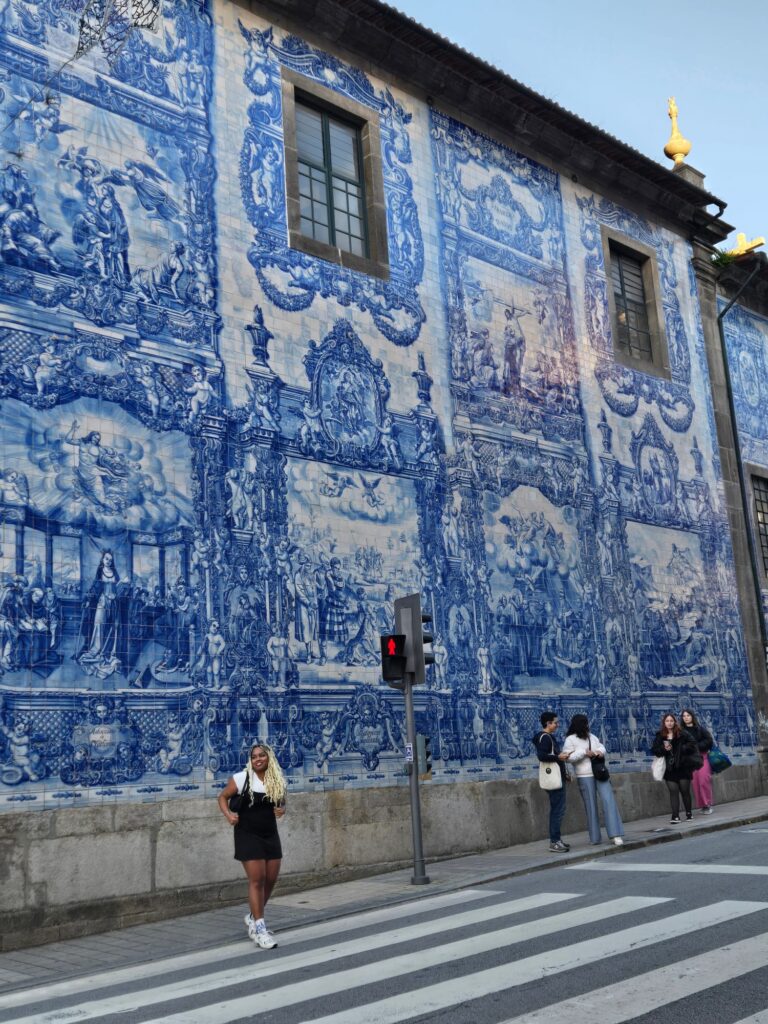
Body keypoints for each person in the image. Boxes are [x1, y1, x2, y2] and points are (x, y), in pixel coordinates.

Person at [217, 743, 286, 949]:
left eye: (261, 755)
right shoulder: (241, 778)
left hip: (270, 834)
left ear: (269, 757)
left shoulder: (277, 779)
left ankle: (252, 916)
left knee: (270, 879)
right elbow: (222, 797)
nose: (257, 759)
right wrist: (229, 815)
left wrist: (282, 809)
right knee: (257, 879)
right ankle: (259, 928)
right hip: (247, 835)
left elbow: (281, 802)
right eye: (254, 756)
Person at [562, 713, 624, 847]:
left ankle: (615, 835)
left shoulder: (592, 737)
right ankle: (595, 838)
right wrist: (584, 752)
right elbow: (568, 758)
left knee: (609, 801)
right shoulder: (570, 740)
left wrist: (598, 752)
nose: (587, 726)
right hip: (584, 775)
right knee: (590, 806)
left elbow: (602, 747)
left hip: (599, 773)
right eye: (585, 723)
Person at [532, 711, 571, 852]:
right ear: (548, 723)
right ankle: (554, 842)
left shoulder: (546, 737)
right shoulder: (546, 738)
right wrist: (558, 757)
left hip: (557, 777)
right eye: (555, 722)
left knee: (558, 809)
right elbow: (542, 756)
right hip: (555, 779)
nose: (557, 725)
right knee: (557, 810)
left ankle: (557, 840)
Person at [651, 713, 700, 823]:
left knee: (685, 791)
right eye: (667, 721)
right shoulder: (660, 735)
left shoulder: (682, 733)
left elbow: (692, 743)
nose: (669, 723)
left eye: (671, 721)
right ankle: (675, 816)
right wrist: (664, 749)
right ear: (664, 723)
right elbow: (655, 750)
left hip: (683, 767)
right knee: (673, 792)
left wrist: (681, 749)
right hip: (669, 768)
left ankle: (689, 813)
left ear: (674, 722)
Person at [681, 708, 714, 814]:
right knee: (695, 783)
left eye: (688, 715)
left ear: (692, 717)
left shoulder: (700, 729)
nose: (686, 718)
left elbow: (709, 740)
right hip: (690, 760)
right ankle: (703, 805)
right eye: (684, 716)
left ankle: (708, 804)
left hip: (702, 757)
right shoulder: (681, 731)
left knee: (704, 780)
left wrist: (697, 746)